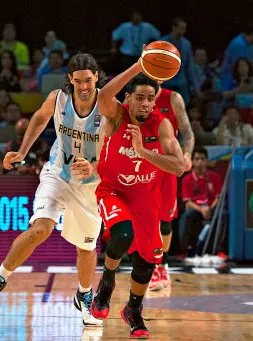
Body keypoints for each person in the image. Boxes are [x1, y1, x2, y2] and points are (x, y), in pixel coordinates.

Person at [0, 54, 106, 328]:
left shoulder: (107, 105)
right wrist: (22, 151)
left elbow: (115, 150)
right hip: (58, 173)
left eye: (88, 81)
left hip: (91, 184)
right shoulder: (58, 98)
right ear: (70, 80)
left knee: (86, 248)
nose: (83, 87)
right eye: (78, 81)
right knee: (40, 229)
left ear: (96, 78)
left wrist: (94, 167)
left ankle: (84, 294)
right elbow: (40, 118)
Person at [90, 64, 185, 338]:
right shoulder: (117, 115)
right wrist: (138, 66)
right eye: (140, 97)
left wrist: (143, 152)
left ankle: (133, 310)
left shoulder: (161, 124)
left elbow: (178, 166)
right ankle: (106, 285)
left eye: (150, 98)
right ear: (128, 98)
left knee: (150, 258)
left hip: (145, 198)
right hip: (113, 191)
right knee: (122, 235)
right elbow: (104, 95)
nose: (145, 103)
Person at [148, 80, 194, 292]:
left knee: (165, 221)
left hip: (166, 166)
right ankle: (148, 262)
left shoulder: (173, 98)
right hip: (142, 163)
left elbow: (187, 132)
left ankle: (161, 264)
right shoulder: (134, 95)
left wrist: (186, 154)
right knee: (144, 219)